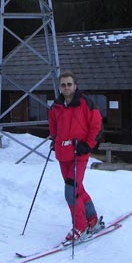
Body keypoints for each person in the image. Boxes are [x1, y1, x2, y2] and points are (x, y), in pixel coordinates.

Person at [48, 70, 103, 242]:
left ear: (75, 85)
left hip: (79, 153)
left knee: (70, 190)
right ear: (60, 87)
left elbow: (97, 126)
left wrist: (87, 145)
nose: (66, 87)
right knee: (77, 188)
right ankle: (92, 219)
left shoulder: (86, 103)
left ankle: (80, 226)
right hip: (63, 154)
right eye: (63, 85)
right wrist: (54, 141)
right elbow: (54, 127)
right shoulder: (56, 107)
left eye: (69, 84)